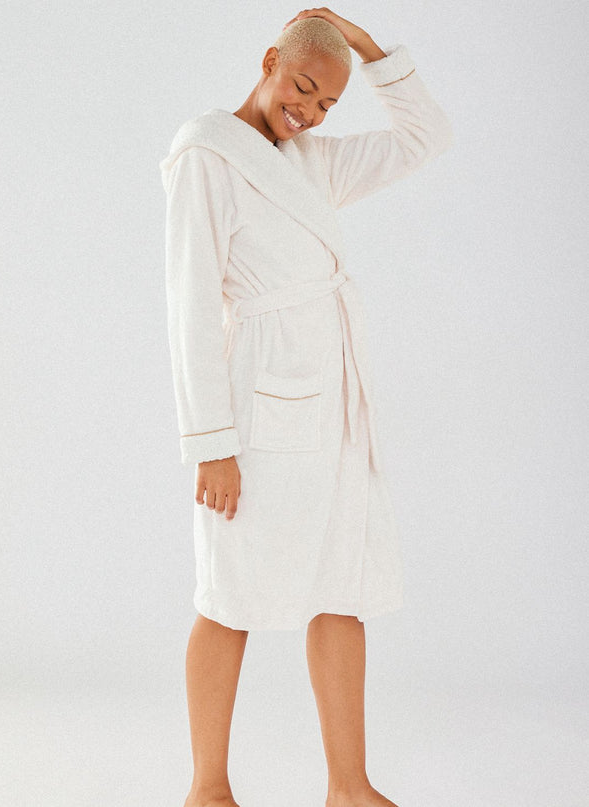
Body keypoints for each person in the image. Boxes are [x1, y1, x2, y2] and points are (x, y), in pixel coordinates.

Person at [159, 8, 453, 807]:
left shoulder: (312, 163)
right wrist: (211, 441)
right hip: (258, 408)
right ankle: (208, 788)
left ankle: (348, 786)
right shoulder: (205, 154)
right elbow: (189, 305)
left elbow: (426, 137)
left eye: (327, 104)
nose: (310, 112)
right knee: (230, 594)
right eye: (301, 87)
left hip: (336, 406)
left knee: (340, 590)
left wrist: (365, 46)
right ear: (269, 61)